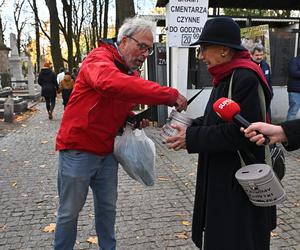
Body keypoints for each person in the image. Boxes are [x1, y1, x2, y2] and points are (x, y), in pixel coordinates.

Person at [54, 16, 187, 250]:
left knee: (108, 209)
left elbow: (121, 98)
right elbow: (111, 83)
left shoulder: (129, 73)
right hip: (78, 150)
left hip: (106, 153)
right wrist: (169, 94)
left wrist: (131, 118)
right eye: (142, 46)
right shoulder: (98, 59)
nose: (145, 54)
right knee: (69, 212)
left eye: (150, 49)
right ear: (124, 41)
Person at [164, 17, 275, 250]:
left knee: (237, 238)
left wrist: (192, 138)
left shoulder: (245, 77)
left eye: (204, 48)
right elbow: (217, 118)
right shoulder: (226, 76)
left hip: (240, 182)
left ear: (224, 50)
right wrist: (192, 126)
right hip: (224, 176)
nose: (202, 55)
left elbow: (242, 132)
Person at [287, 55, 300, 120]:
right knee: (293, 111)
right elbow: (293, 72)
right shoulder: (294, 60)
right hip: (295, 91)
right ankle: (288, 129)